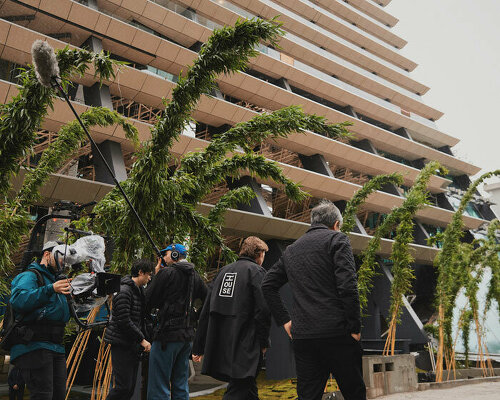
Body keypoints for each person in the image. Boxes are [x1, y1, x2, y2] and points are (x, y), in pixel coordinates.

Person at [261, 200, 366, 400]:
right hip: (337, 333)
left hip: (304, 336)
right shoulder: (338, 240)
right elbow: (348, 287)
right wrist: (355, 328)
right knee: (354, 393)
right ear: (336, 224)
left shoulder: (291, 250)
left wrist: (285, 321)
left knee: (308, 395)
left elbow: (267, 284)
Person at [192, 236, 271, 400]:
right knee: (239, 387)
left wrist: (198, 346)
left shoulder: (223, 272)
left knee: (247, 387)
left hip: (222, 343)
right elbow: (263, 311)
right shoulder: (256, 272)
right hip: (246, 344)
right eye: (263, 254)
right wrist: (263, 342)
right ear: (258, 254)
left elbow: (207, 310)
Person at [9, 240, 71, 400]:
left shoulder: (57, 281)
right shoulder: (30, 275)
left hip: (56, 347)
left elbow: (61, 312)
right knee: (42, 395)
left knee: (59, 395)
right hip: (35, 345)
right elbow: (19, 300)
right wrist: (50, 289)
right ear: (47, 254)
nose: (64, 262)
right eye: (60, 256)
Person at [146, 244, 207, 400]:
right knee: (180, 384)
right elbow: (209, 298)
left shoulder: (166, 273)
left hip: (166, 337)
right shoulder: (195, 276)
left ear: (174, 255)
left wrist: (156, 276)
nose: (163, 259)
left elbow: (149, 300)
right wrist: (195, 317)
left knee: (159, 385)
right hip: (186, 337)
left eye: (164, 255)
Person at [104, 259, 153, 400]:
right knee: (123, 387)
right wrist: (142, 339)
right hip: (121, 344)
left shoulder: (138, 291)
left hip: (132, 344)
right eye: (148, 274)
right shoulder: (125, 291)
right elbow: (123, 320)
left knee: (129, 388)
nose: (149, 278)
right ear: (140, 272)